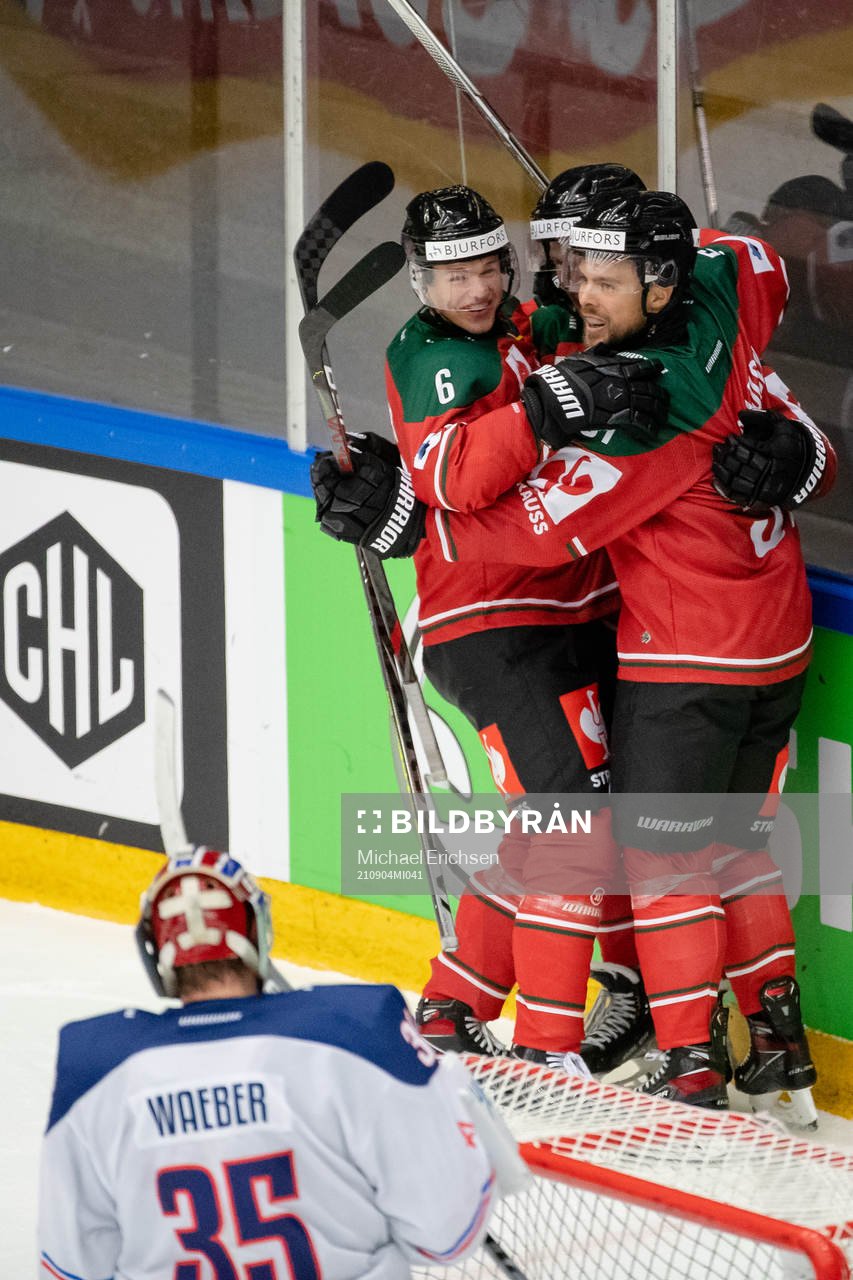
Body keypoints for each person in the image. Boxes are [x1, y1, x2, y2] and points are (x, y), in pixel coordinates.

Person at [313, 190, 831, 1116]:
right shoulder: (704, 297)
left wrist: (806, 452)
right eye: (570, 270)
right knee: (588, 833)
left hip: (628, 631)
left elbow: (547, 522)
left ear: (659, 278)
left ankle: (486, 1005)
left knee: (623, 840)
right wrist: (407, 509)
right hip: (509, 627)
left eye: (598, 274)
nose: (579, 293)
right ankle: (545, 1044)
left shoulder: (631, 378)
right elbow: (453, 477)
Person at [37, 846, 515, 1279]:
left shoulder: (95, 1070)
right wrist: (463, 1124)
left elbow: (71, 1267)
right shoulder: (356, 1035)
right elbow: (447, 1237)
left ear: (155, 952)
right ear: (258, 933)